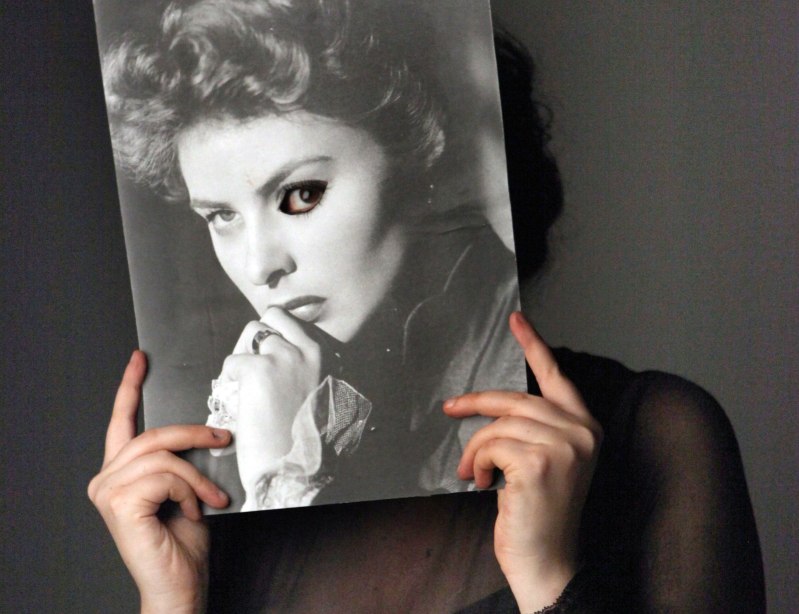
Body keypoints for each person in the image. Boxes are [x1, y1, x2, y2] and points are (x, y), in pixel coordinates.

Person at [88, 1, 766, 611]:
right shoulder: (235, 482)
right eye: (221, 216)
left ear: (426, 169)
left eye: (301, 195)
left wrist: (549, 578)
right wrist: (171, 599)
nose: (260, 266)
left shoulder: (657, 433)